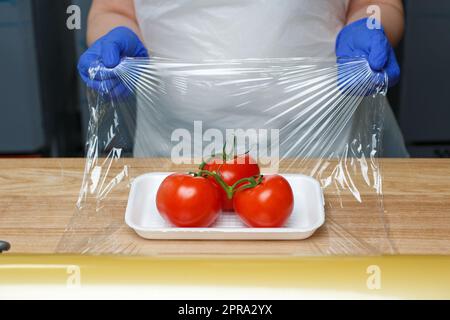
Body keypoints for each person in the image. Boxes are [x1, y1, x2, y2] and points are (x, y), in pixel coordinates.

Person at [78, 0, 409, 158]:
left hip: (328, 152)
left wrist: (368, 27)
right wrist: (114, 41)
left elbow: (377, 4)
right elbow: (113, 9)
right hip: (174, 158)